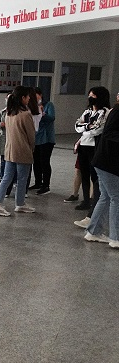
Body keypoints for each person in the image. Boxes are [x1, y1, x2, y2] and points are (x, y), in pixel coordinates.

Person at [0, 85, 36, 217]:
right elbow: (31, 135)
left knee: (6, 177)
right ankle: (19, 203)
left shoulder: (9, 113)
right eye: (27, 97)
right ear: (23, 98)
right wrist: (32, 147)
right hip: (22, 150)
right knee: (22, 178)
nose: (29, 99)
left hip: (9, 150)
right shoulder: (25, 114)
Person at [72, 86, 110, 227]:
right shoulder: (88, 111)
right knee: (84, 174)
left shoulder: (104, 112)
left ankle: (94, 201)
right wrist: (87, 126)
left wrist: (85, 128)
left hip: (94, 147)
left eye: (93, 95)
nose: (90, 98)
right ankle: (86, 200)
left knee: (95, 177)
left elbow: (98, 129)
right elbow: (77, 125)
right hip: (83, 145)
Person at [84, 99, 119, 249]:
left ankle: (93, 231)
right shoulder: (117, 111)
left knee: (106, 196)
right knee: (116, 197)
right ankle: (115, 238)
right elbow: (109, 133)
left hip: (104, 162)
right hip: (108, 163)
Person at [30, 87, 55, 195]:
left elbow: (52, 118)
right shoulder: (32, 106)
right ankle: (38, 182)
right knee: (36, 161)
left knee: (44, 161)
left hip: (47, 138)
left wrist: (42, 114)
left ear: (40, 95)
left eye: (36, 95)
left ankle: (46, 185)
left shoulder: (48, 105)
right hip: (36, 138)